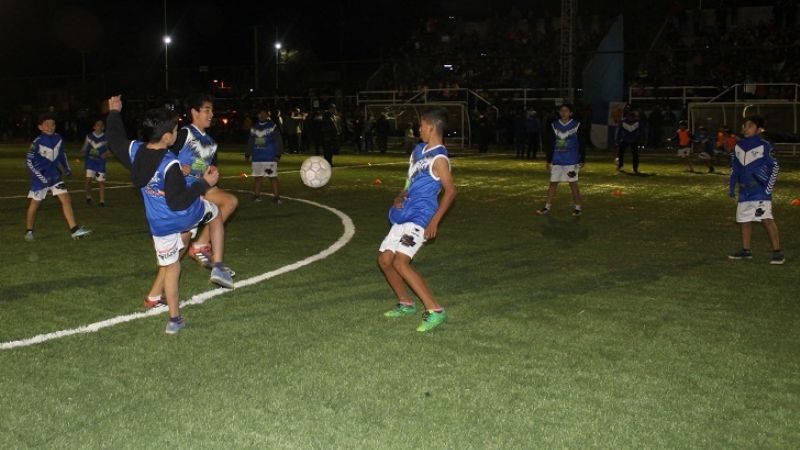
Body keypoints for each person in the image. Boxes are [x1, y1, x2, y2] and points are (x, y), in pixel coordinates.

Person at [105, 95, 234, 334]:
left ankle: (174, 320)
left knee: (172, 267)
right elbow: (179, 201)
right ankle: (217, 264)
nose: (177, 132)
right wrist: (203, 184)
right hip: (183, 214)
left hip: (159, 225)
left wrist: (114, 113)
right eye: (175, 130)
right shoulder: (170, 164)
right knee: (215, 213)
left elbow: (114, 140)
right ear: (167, 136)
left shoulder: (136, 151)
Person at [378, 106, 457, 333]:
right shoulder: (418, 151)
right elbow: (409, 180)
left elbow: (451, 191)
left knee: (400, 262)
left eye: (421, 126)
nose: (418, 129)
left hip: (422, 217)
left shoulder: (440, 158)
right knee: (385, 260)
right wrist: (401, 194)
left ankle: (435, 309)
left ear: (431, 127)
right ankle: (406, 303)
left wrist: (434, 221)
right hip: (406, 212)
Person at [172, 94, 239, 270]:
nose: (211, 114)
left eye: (212, 111)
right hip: (183, 192)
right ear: (194, 112)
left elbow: (206, 167)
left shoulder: (211, 143)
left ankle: (200, 245)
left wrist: (212, 171)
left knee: (230, 201)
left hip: (201, 189)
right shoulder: (184, 134)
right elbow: (165, 156)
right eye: (207, 110)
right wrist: (178, 167)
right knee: (178, 251)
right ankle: (163, 281)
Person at [24, 114, 92, 241]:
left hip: (55, 176)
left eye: (53, 124)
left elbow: (62, 155)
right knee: (35, 204)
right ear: (40, 127)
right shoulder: (37, 142)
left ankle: (74, 230)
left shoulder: (58, 138)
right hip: (40, 178)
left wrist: (66, 168)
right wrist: (40, 177)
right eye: (47, 124)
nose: (50, 127)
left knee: (66, 199)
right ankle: (29, 231)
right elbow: (29, 162)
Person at [728, 115, 784, 265]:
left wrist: (768, 189)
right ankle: (746, 251)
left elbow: (775, 167)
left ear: (759, 130)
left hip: (760, 191)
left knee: (766, 219)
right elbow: (735, 168)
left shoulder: (764, 146)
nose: (746, 128)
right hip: (744, 191)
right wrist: (732, 186)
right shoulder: (738, 146)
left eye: (750, 126)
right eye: (745, 125)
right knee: (744, 220)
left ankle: (777, 252)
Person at [536, 104, 585, 217]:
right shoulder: (554, 125)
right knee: (553, 183)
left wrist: (582, 158)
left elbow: (582, 142)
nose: (563, 113)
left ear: (570, 113)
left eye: (566, 111)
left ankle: (578, 207)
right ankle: (547, 207)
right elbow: (550, 143)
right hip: (557, 159)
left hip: (571, 160)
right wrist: (549, 160)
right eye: (561, 111)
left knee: (573, 184)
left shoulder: (577, 125)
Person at [245, 108, 283, 204]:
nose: (262, 115)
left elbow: (278, 140)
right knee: (257, 177)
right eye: (260, 114)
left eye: (264, 114)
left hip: (269, 158)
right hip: (257, 157)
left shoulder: (272, 126)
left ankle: (277, 197)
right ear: (258, 115)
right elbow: (251, 140)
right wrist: (248, 153)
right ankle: (256, 196)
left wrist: (278, 154)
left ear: (267, 115)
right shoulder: (254, 127)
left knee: (272, 177)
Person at [82, 118, 109, 206]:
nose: (99, 127)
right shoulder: (89, 136)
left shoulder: (106, 137)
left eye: (101, 125)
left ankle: (102, 201)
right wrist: (85, 152)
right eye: (98, 125)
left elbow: (109, 150)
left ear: (103, 127)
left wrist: (106, 153)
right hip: (90, 162)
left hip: (100, 163)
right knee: (88, 180)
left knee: (101, 181)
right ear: (94, 127)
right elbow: (84, 148)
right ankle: (88, 195)